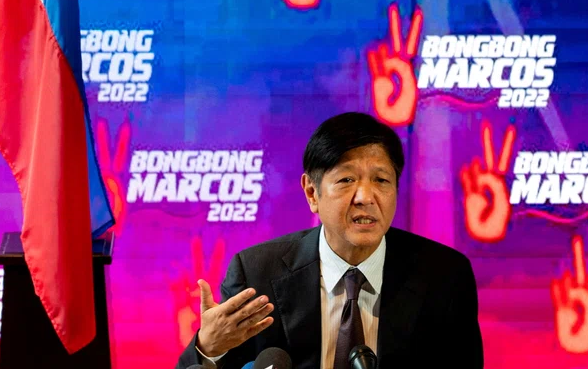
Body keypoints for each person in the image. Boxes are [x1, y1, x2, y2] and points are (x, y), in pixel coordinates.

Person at [175, 111, 484, 369]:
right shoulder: (258, 273)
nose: (365, 197)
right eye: (347, 180)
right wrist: (208, 348)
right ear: (312, 192)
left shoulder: (444, 276)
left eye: (381, 180)